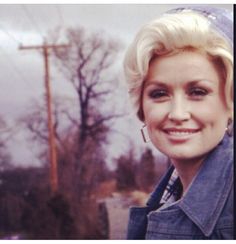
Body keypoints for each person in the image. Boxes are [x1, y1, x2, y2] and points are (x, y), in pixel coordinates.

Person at [123, 5, 233, 240]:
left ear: (230, 103)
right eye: (159, 94)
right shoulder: (167, 194)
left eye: (198, 91)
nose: (178, 114)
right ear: (141, 107)